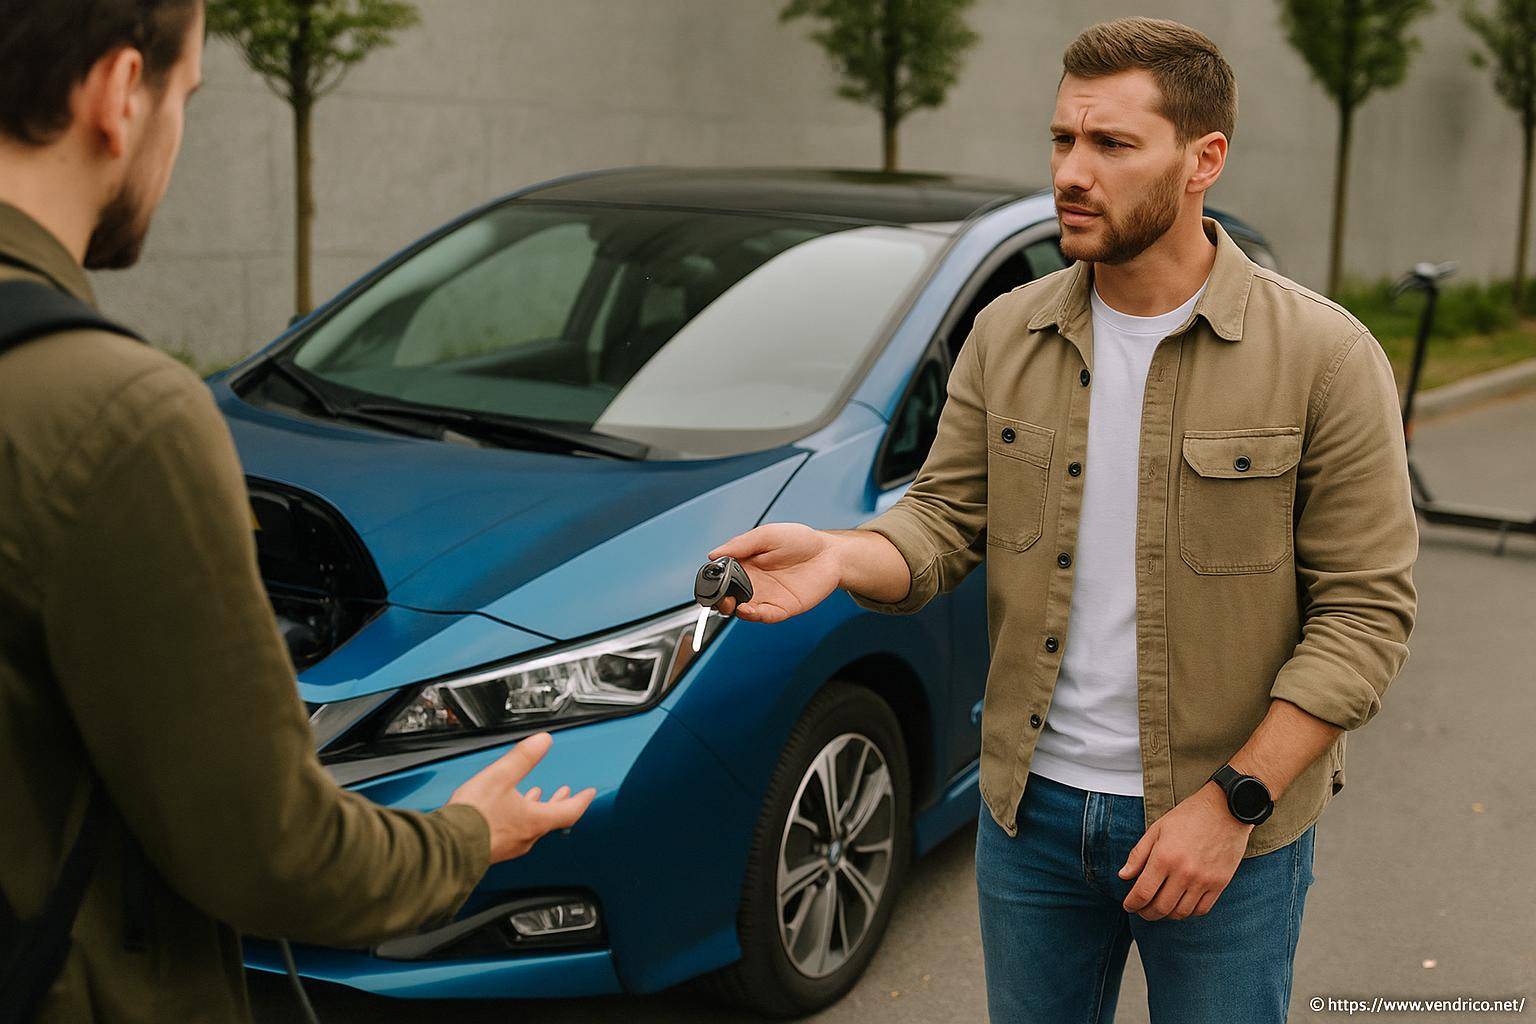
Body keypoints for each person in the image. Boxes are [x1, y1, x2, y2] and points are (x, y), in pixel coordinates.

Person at [707, 16, 1418, 1024]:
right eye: (1061, 140)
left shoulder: (1326, 360)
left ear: (1202, 160)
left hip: (1227, 827)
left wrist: (1230, 807)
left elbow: (1364, 617)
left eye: (1112, 144)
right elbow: (945, 520)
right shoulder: (1007, 334)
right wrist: (842, 556)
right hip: (1028, 816)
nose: (1072, 172)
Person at [0, 2, 595, 1021]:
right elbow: (271, 852)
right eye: (184, 98)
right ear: (118, 93)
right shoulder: (118, 417)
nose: (175, 135)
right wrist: (466, 835)